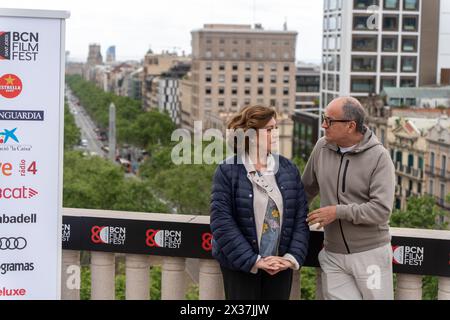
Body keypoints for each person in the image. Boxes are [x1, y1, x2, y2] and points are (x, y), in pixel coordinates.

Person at [210, 105, 310, 300]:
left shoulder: (288, 169)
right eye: (269, 129)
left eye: (276, 128)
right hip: (241, 267)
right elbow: (222, 222)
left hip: (279, 266)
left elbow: (300, 218)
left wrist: (289, 259)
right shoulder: (228, 171)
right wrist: (253, 260)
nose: (275, 134)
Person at [302, 97, 395, 300]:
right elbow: (306, 190)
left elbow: (381, 210)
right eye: (323, 118)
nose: (323, 125)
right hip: (333, 255)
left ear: (351, 126)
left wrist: (337, 211)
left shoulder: (380, 157)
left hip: (370, 256)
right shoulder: (322, 147)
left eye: (329, 121)